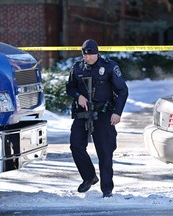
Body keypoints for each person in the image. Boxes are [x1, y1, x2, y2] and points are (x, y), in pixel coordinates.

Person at [66, 39, 128, 198]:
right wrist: (78, 96)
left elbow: (122, 91)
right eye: (85, 55)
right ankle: (89, 177)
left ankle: (107, 189)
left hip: (104, 113)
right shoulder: (78, 67)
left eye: (91, 54)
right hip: (83, 113)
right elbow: (70, 87)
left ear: (97, 52)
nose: (88, 58)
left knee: (105, 152)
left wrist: (117, 113)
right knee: (76, 145)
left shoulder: (109, 66)